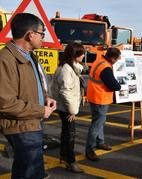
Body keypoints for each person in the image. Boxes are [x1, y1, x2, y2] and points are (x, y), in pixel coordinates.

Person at [0, 13, 56, 179]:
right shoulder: (6, 60)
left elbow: (34, 83)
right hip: (21, 125)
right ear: (30, 35)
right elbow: (5, 103)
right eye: (42, 34)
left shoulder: (30, 55)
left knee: (25, 169)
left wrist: (45, 97)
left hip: (31, 121)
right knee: (31, 172)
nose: (43, 38)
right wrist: (40, 110)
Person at [51, 43, 85, 173]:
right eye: (81, 53)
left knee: (66, 132)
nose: (83, 56)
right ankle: (71, 161)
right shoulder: (67, 69)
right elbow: (65, 91)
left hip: (64, 107)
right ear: (74, 55)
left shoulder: (68, 67)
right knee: (70, 134)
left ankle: (63, 156)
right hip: (66, 108)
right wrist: (73, 111)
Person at [85, 48, 121, 161]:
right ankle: (89, 150)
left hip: (94, 96)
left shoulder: (99, 60)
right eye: (117, 59)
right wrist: (119, 86)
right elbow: (114, 85)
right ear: (112, 58)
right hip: (100, 98)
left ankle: (100, 142)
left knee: (99, 122)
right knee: (96, 124)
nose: (116, 61)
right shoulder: (105, 67)